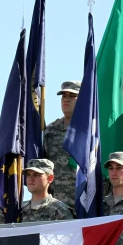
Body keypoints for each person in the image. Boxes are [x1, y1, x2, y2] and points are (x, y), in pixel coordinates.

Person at [44, 81, 81, 209]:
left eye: (72, 96)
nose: (66, 99)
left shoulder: (90, 131)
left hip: (83, 203)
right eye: (64, 96)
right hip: (55, 205)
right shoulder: (51, 130)